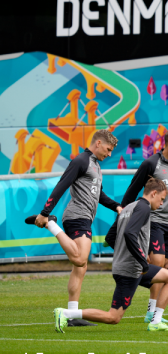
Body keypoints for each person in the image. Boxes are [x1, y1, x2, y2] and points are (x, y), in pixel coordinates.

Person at [25, 130, 123, 327]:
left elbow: (99, 194)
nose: (110, 154)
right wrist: (45, 213)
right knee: (79, 259)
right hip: (77, 217)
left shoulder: (95, 165)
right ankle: (51, 223)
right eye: (108, 149)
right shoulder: (81, 160)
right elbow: (61, 186)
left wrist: (117, 206)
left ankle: (71, 315)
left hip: (84, 219)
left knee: (80, 268)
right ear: (98, 143)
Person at [54, 178, 168, 332]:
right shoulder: (144, 208)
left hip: (128, 266)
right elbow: (129, 233)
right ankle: (66, 313)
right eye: (162, 199)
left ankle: (156, 321)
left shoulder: (128, 207)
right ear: (153, 193)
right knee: (113, 317)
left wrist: (129, 255)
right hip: (130, 270)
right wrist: (142, 260)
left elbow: (110, 238)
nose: (161, 204)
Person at [120, 128, 168, 324]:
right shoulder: (151, 163)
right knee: (157, 264)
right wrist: (123, 215)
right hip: (152, 222)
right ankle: (151, 311)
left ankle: (153, 312)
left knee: (163, 267)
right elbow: (132, 191)